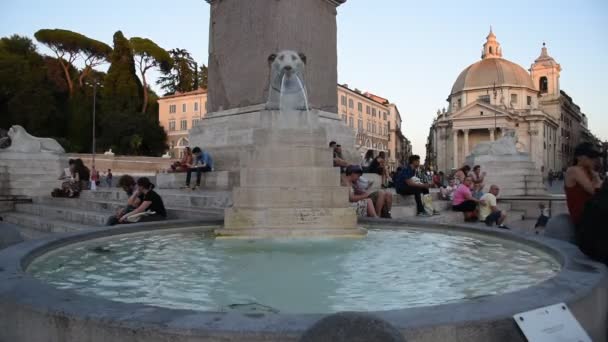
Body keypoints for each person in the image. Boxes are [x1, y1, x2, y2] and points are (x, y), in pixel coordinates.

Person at [565, 142, 602, 226]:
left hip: (594, 218)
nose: (594, 159)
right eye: (590, 156)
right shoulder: (574, 170)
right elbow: (596, 191)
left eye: (595, 156)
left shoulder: (589, 172)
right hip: (584, 221)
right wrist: (596, 177)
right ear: (579, 157)